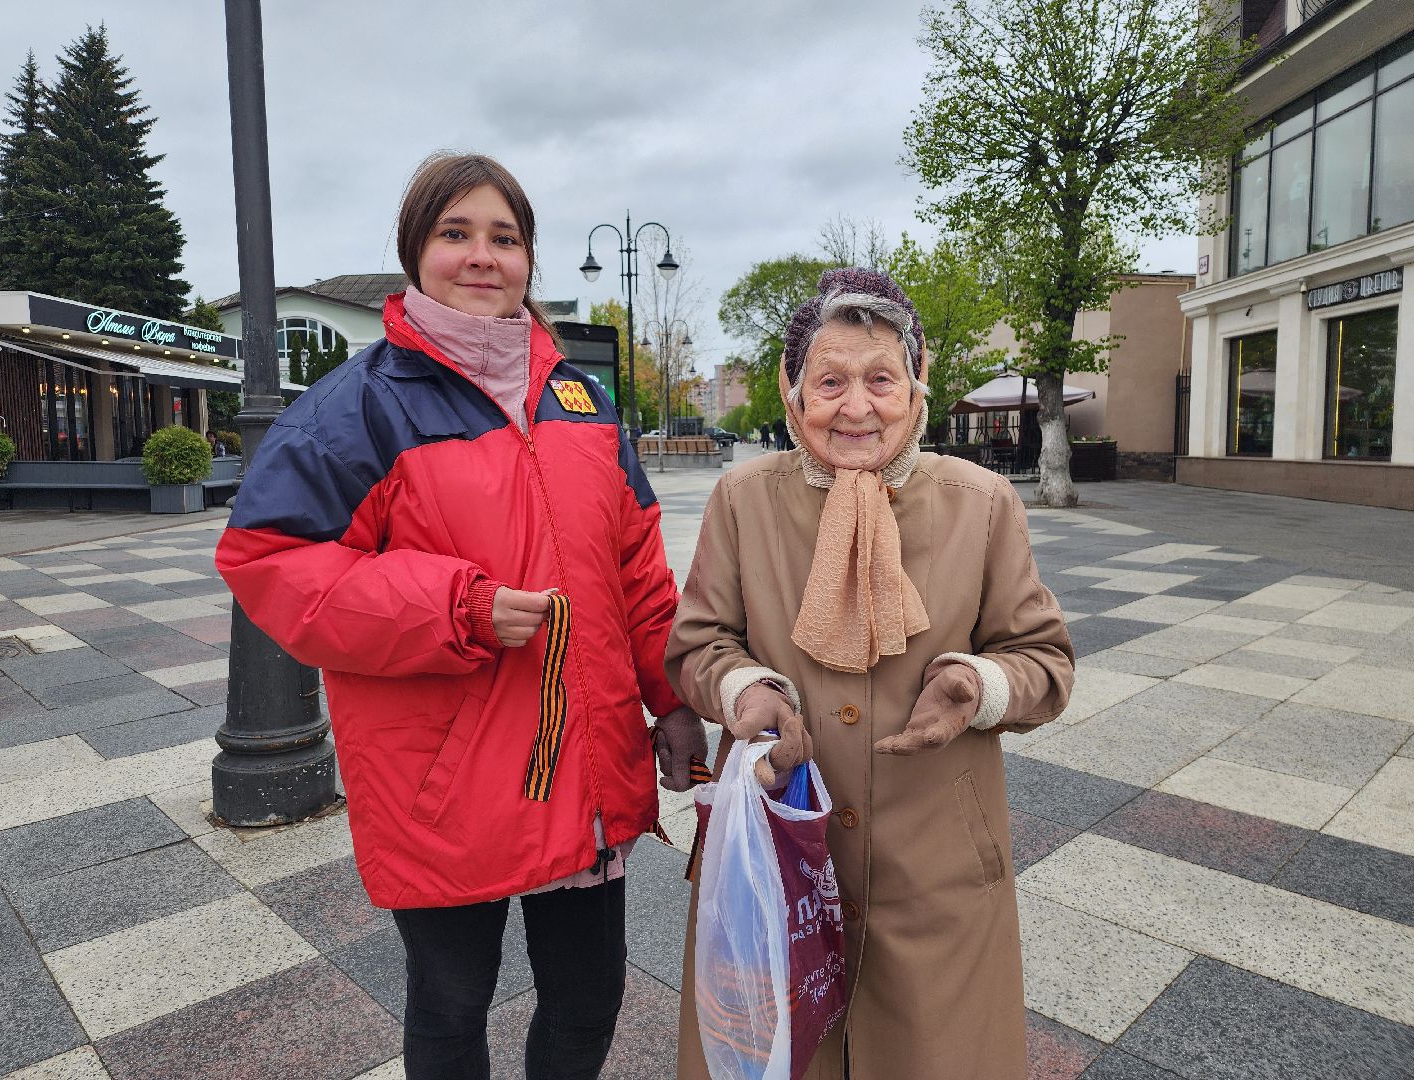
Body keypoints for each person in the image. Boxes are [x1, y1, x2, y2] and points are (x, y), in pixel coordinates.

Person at [216, 152, 706, 1080]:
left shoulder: (581, 400)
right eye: (456, 234)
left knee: (590, 998)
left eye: (505, 237)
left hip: (585, 760)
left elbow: (639, 571)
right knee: (449, 1007)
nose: (482, 256)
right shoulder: (356, 407)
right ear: (415, 251)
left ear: (528, 259)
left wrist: (671, 700)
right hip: (443, 772)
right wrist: (454, 605)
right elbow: (268, 561)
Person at [664, 268, 1073, 1079]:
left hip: (939, 863)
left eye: (881, 378)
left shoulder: (983, 503)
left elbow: (1045, 662)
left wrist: (978, 686)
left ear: (917, 385)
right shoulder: (744, 498)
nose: (857, 407)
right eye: (831, 381)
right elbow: (699, 642)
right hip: (778, 852)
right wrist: (747, 688)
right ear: (792, 391)